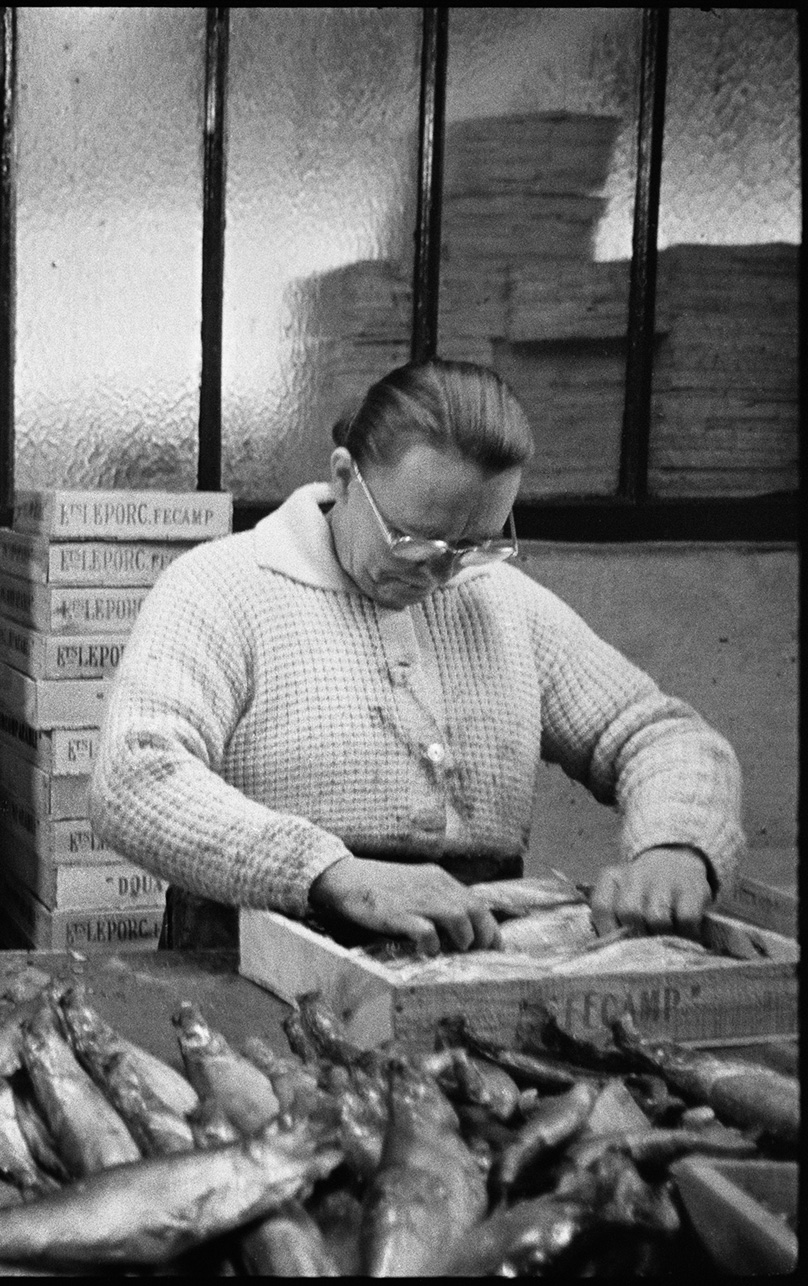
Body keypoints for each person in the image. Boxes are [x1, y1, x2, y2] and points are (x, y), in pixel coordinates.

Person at [90, 359, 742, 955]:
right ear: (346, 476)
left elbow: (657, 733)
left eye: (474, 544)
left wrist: (676, 842)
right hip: (249, 958)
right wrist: (326, 872)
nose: (439, 572)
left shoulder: (501, 602)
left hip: (463, 956)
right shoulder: (224, 587)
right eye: (413, 539)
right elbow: (134, 774)